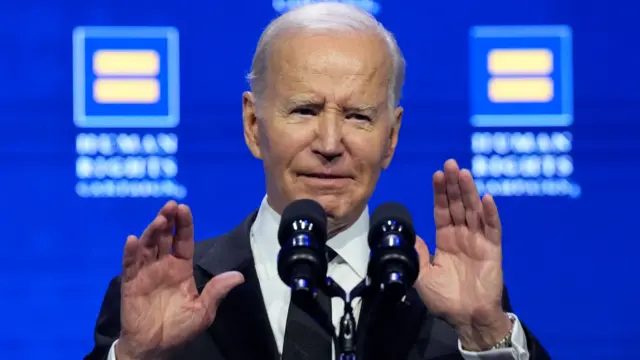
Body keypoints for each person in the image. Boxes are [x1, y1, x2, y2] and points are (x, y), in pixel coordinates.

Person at [84, 2, 550, 360]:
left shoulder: (453, 301)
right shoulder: (171, 293)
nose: (329, 142)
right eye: (304, 110)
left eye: (358, 116)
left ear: (391, 137)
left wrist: (486, 334)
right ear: (253, 124)